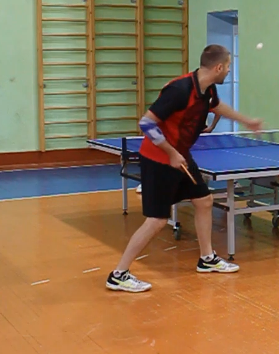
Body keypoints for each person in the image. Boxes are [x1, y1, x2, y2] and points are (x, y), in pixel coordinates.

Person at [106, 44, 263, 293]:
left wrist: (247, 120)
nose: (229, 71)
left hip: (180, 155)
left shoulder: (207, 89)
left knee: (204, 201)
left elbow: (215, 106)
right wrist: (171, 153)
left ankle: (207, 258)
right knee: (157, 220)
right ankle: (119, 274)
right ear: (218, 67)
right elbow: (146, 123)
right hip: (159, 158)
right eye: (228, 67)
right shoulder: (179, 90)